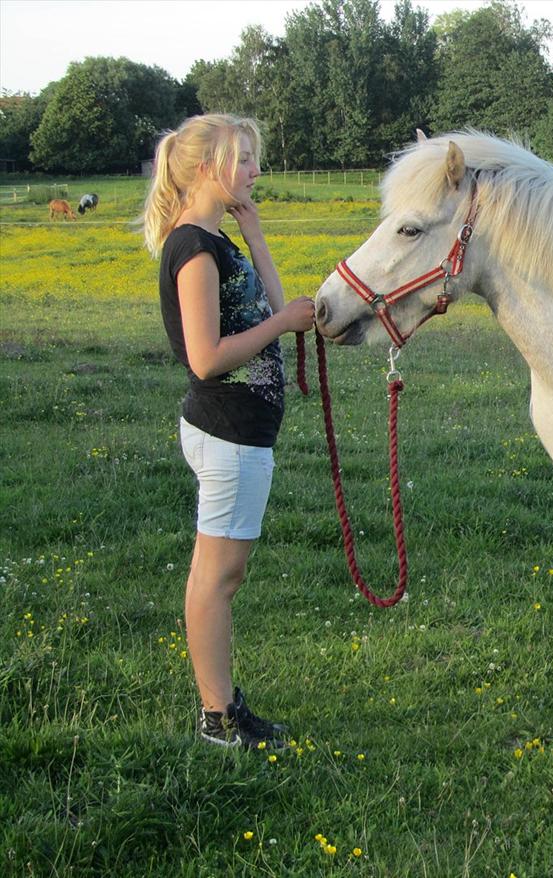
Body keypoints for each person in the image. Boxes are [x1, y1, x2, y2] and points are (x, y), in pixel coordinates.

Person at [141, 114, 315, 749]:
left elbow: (280, 310)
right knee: (218, 579)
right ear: (207, 168)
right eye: (243, 160)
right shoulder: (193, 249)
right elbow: (207, 357)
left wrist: (257, 234)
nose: (255, 171)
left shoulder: (220, 241)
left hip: (239, 433)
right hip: (228, 433)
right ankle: (217, 716)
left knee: (218, 574)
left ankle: (219, 706)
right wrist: (283, 323)